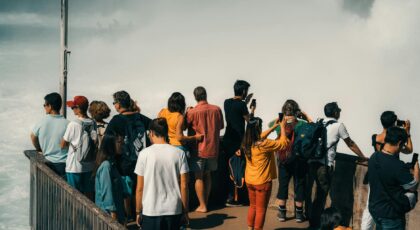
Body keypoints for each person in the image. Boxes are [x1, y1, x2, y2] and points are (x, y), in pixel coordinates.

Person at [307, 102, 367, 228]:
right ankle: (316, 225)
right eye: (339, 110)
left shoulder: (320, 121)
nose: (340, 112)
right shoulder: (339, 126)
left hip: (312, 163)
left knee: (316, 195)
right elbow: (350, 143)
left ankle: (313, 222)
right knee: (321, 196)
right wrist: (362, 157)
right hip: (325, 166)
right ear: (335, 112)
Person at [361, 111, 413, 230]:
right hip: (390, 174)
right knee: (389, 204)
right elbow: (409, 150)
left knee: (370, 204)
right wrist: (407, 132)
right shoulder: (393, 141)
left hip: (375, 173)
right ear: (394, 123)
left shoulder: (375, 137)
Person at [135, 118, 189, 230]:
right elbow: (184, 185)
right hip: (174, 209)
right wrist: (185, 211)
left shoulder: (144, 154)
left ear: (151, 133)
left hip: (151, 210)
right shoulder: (179, 153)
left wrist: (138, 211)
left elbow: (140, 188)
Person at [105, 90, 151, 219]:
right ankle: (139, 214)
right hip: (142, 161)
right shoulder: (140, 117)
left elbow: (107, 141)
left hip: (123, 162)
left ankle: (129, 217)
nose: (114, 105)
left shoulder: (116, 120)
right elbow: (154, 125)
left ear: (119, 104)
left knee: (125, 191)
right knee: (139, 188)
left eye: (114, 102)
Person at [269, 100, 312, 223]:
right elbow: (313, 128)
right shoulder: (301, 124)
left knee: (283, 185)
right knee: (299, 185)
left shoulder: (278, 123)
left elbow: (269, 124)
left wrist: (282, 117)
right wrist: (304, 116)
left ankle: (282, 213)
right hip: (299, 159)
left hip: (283, 159)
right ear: (296, 110)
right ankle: (299, 215)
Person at [368, 126, 418, 230]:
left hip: (375, 210)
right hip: (390, 214)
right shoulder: (397, 165)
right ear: (399, 143)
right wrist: (417, 171)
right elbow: (413, 186)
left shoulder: (374, 157)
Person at [243, 117, 289, 230]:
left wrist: (274, 126)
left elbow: (261, 135)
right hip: (262, 182)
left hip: (250, 180)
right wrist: (282, 127)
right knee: (261, 209)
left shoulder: (246, 142)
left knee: (253, 207)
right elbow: (283, 144)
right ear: (258, 128)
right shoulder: (265, 144)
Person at [186, 86, 224, 213]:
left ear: (195, 97)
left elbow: (185, 127)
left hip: (198, 149)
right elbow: (221, 126)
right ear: (205, 95)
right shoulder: (217, 109)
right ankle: (206, 202)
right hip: (213, 148)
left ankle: (202, 205)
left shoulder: (192, 112)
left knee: (198, 177)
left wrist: (188, 111)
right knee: (208, 175)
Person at [223, 80, 254, 206]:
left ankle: (231, 197)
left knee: (230, 169)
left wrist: (244, 103)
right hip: (238, 142)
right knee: (238, 170)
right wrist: (252, 109)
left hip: (227, 140)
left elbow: (235, 110)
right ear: (244, 91)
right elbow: (250, 122)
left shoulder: (227, 102)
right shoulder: (242, 106)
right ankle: (234, 199)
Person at [61, 96, 97, 199]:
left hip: (74, 166)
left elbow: (63, 145)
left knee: (74, 197)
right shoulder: (93, 123)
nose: (72, 110)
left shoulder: (73, 124)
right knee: (89, 196)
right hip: (90, 164)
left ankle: (75, 215)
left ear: (78, 108)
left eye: (73, 107)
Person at [31, 92, 69, 178]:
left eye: (44, 105)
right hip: (65, 164)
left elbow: (33, 136)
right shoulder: (68, 123)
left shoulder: (42, 122)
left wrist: (38, 148)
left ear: (50, 106)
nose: (44, 107)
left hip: (48, 163)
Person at [94, 134, 126, 224]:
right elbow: (107, 193)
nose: (122, 144)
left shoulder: (112, 163)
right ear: (110, 144)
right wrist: (113, 217)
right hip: (107, 216)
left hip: (116, 212)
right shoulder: (106, 166)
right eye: (119, 142)